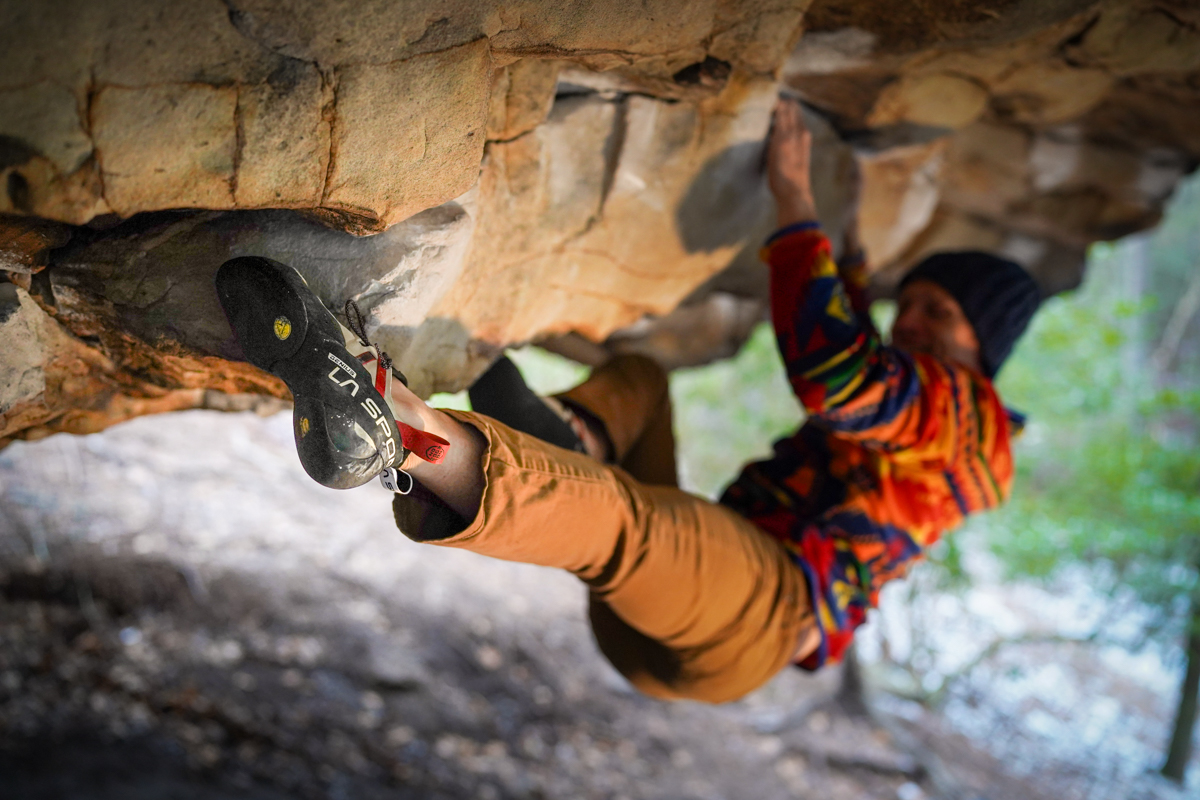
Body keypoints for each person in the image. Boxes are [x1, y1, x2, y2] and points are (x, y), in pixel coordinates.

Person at [215, 98, 1041, 703]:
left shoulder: (972, 425)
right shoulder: (933, 421)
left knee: (623, 521)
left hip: (756, 613)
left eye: (942, 313)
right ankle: (577, 435)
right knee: (643, 384)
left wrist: (796, 206)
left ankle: (397, 428)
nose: (917, 322)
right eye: (916, 304)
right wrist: (850, 264)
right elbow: (864, 358)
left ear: (984, 349)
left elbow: (841, 377)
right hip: (687, 607)